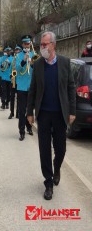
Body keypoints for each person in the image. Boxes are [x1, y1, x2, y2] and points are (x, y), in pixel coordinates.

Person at [27, 31, 76, 200]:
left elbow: (71, 87)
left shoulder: (64, 63)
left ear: (53, 45)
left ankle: (57, 167)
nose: (42, 47)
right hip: (44, 114)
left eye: (44, 44)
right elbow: (32, 89)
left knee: (60, 149)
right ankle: (48, 182)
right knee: (44, 149)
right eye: (41, 44)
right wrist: (29, 112)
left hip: (60, 113)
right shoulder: (38, 64)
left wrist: (72, 111)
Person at [15, 35, 34, 141]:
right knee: (22, 111)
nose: (27, 45)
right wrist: (23, 60)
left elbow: (36, 69)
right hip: (22, 87)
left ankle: (29, 127)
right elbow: (17, 68)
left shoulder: (34, 54)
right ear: (22, 44)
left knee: (30, 109)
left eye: (28, 43)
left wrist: (32, 63)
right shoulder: (18, 56)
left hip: (31, 86)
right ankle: (21, 131)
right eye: (25, 44)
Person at [8, 45, 22, 119]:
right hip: (13, 80)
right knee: (12, 97)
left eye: (18, 50)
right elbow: (11, 69)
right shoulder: (13, 59)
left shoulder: (21, 59)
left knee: (19, 98)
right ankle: (12, 113)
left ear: (20, 51)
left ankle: (18, 113)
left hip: (19, 81)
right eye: (16, 50)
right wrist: (11, 75)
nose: (16, 51)